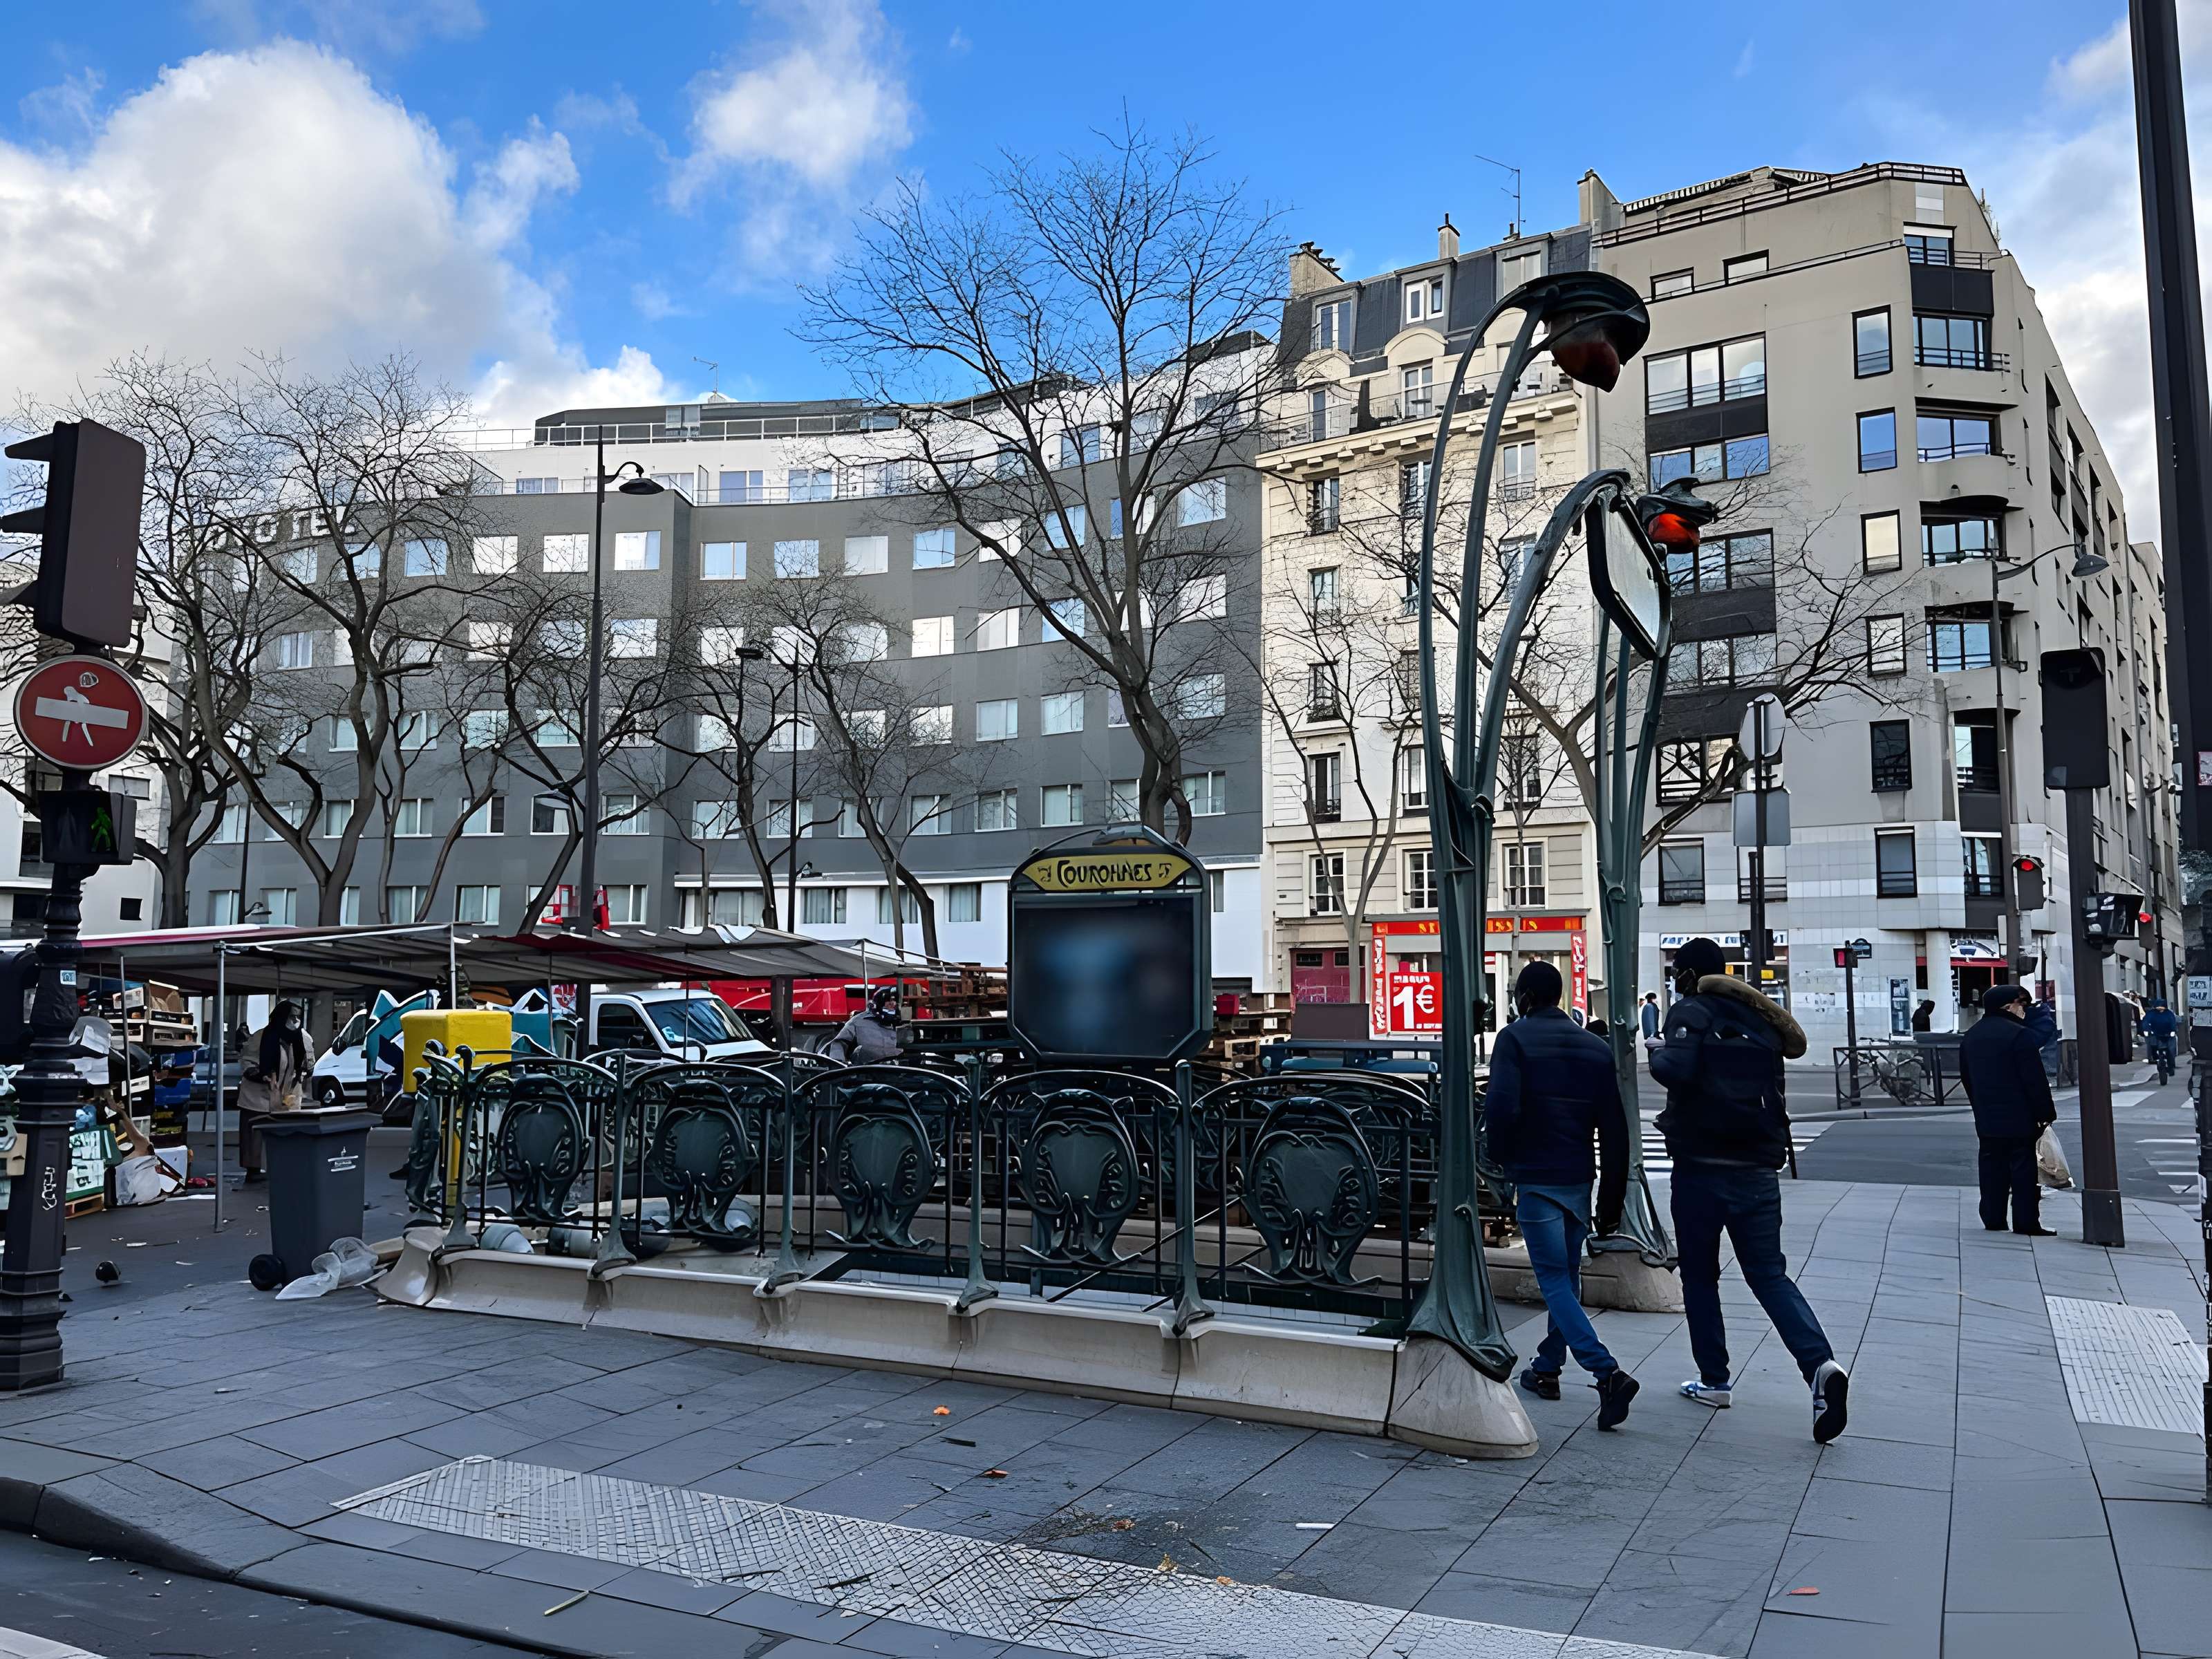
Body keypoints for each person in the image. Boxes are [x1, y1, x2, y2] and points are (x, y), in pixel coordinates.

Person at [1651, 938, 1849, 1443]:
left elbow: (1675, 1070)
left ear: (1690, 972)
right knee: (1769, 1275)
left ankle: (1714, 1380)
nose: (1674, 976)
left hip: (1699, 1168)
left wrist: (1657, 1049)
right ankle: (1820, 1366)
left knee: (1699, 1277)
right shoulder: (1759, 1021)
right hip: (1758, 1170)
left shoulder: (1689, 1011)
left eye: (1678, 969)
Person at [1480, 962, 1637, 1428]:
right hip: (1578, 1178)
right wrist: (1610, 1203)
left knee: (1552, 1280)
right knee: (1566, 1279)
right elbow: (1615, 1131)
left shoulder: (1514, 1039)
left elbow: (1502, 1107)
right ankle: (1546, 1369)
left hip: (1536, 1176)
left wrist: (1501, 1161)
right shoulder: (1594, 1047)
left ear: (1525, 997)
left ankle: (1607, 1373)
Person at [1957, 984, 2059, 1235]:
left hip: (1987, 1114)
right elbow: (2033, 1079)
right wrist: (2045, 1114)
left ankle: (1993, 1218)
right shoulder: (2019, 1035)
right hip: (2020, 1114)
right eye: (2021, 1004)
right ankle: (2026, 1222)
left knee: (1991, 1167)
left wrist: (1979, 1106)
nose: (2024, 1010)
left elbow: (1967, 1078)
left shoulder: (1972, 1036)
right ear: (2008, 1007)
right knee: (2023, 1169)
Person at [235, 1000, 312, 1182]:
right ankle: (253, 1170)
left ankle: (284, 1166)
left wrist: (306, 1070)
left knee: (288, 1132)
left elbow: (309, 1063)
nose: (295, 1021)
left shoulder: (304, 1038)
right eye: (291, 1017)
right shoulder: (260, 1037)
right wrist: (261, 1075)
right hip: (259, 1094)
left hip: (289, 1093)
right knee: (254, 1133)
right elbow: (247, 1062)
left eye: (298, 1018)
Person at [823, 986, 901, 1065]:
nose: (892, 1003)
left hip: (901, 1072)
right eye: (888, 1000)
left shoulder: (904, 1023)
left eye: (895, 1001)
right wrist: (839, 1063)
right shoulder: (858, 1021)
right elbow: (839, 1043)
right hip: (865, 1071)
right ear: (878, 1002)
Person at [2140, 998, 2180, 1083]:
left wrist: (2173, 1031)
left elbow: (2173, 1022)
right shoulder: (2151, 1014)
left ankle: (2171, 1065)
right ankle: (2153, 1058)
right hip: (2155, 1035)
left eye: (2162, 1008)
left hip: (2168, 1035)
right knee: (2151, 1045)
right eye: (2159, 1008)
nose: (2160, 1009)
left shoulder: (2169, 1014)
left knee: (2171, 1050)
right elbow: (2146, 1022)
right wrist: (2147, 1030)